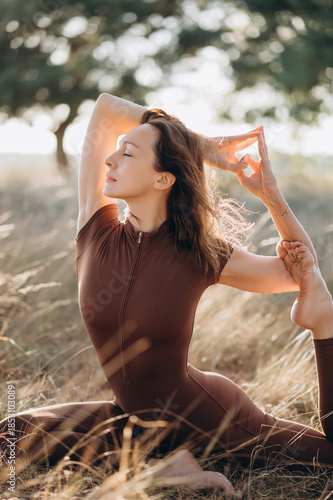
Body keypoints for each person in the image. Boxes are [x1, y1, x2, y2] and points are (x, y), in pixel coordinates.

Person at [1, 93, 333, 496]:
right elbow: (105, 109)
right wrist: (205, 147)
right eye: (117, 151)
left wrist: (270, 194)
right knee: (9, 434)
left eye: (128, 153)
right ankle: (163, 465)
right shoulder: (95, 231)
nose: (110, 159)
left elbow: (301, 272)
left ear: (163, 178)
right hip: (134, 422)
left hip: (210, 419)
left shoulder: (199, 252)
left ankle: (325, 323)